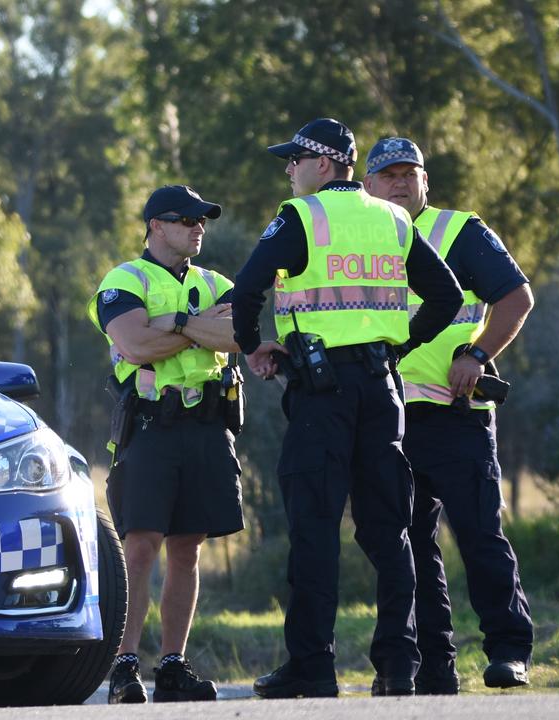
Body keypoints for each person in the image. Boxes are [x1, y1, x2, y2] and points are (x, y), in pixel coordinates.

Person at [229, 119, 463, 698]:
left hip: (321, 393)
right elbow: (448, 296)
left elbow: (248, 288)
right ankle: (398, 666)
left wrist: (251, 344)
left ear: (325, 164)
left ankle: (312, 666)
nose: (289, 171)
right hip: (383, 390)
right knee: (391, 531)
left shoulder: (301, 217)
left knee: (314, 528)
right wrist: (397, 345)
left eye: (295, 161)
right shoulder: (393, 218)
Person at [363, 137, 535, 693]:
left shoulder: (459, 231)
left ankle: (510, 652)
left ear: (425, 182)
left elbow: (515, 298)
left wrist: (478, 354)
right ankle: (435, 667)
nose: (398, 183)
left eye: (408, 174)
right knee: (409, 547)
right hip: (389, 418)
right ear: (368, 185)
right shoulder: (361, 238)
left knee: (480, 536)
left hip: (456, 413)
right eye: (387, 175)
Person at [87, 185, 245, 704]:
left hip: (206, 427)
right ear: (156, 225)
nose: (198, 227)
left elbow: (237, 335)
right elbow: (133, 343)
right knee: (140, 548)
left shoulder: (215, 280)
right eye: (186, 219)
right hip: (151, 428)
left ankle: (173, 665)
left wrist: (171, 326)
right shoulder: (125, 279)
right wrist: (196, 327)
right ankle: (124, 665)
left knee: (187, 550)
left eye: (202, 220)